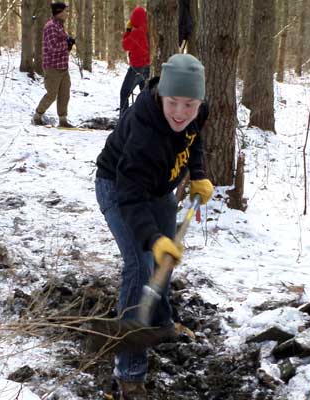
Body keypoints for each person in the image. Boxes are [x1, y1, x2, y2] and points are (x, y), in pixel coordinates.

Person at [95, 53, 213, 399]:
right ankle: (129, 372)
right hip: (119, 187)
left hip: (159, 187)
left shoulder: (196, 113)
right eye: (173, 102)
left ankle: (160, 323)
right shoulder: (143, 130)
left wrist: (200, 176)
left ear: (200, 101)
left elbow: (192, 140)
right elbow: (130, 197)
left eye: (189, 104)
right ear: (161, 95)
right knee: (141, 263)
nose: (180, 112)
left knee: (165, 260)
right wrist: (152, 237)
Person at [32, 2, 75, 128]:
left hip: (63, 66)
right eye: (65, 12)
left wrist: (69, 44)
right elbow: (53, 46)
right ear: (58, 12)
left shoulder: (60, 26)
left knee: (64, 94)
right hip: (52, 67)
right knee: (51, 94)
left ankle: (63, 120)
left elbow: (62, 46)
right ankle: (37, 116)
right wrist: (66, 43)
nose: (66, 14)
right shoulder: (51, 26)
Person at [119, 6, 150, 117]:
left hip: (137, 67)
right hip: (147, 66)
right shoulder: (148, 29)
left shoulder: (137, 32)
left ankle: (123, 120)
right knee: (145, 95)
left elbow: (126, 45)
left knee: (124, 92)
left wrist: (128, 31)